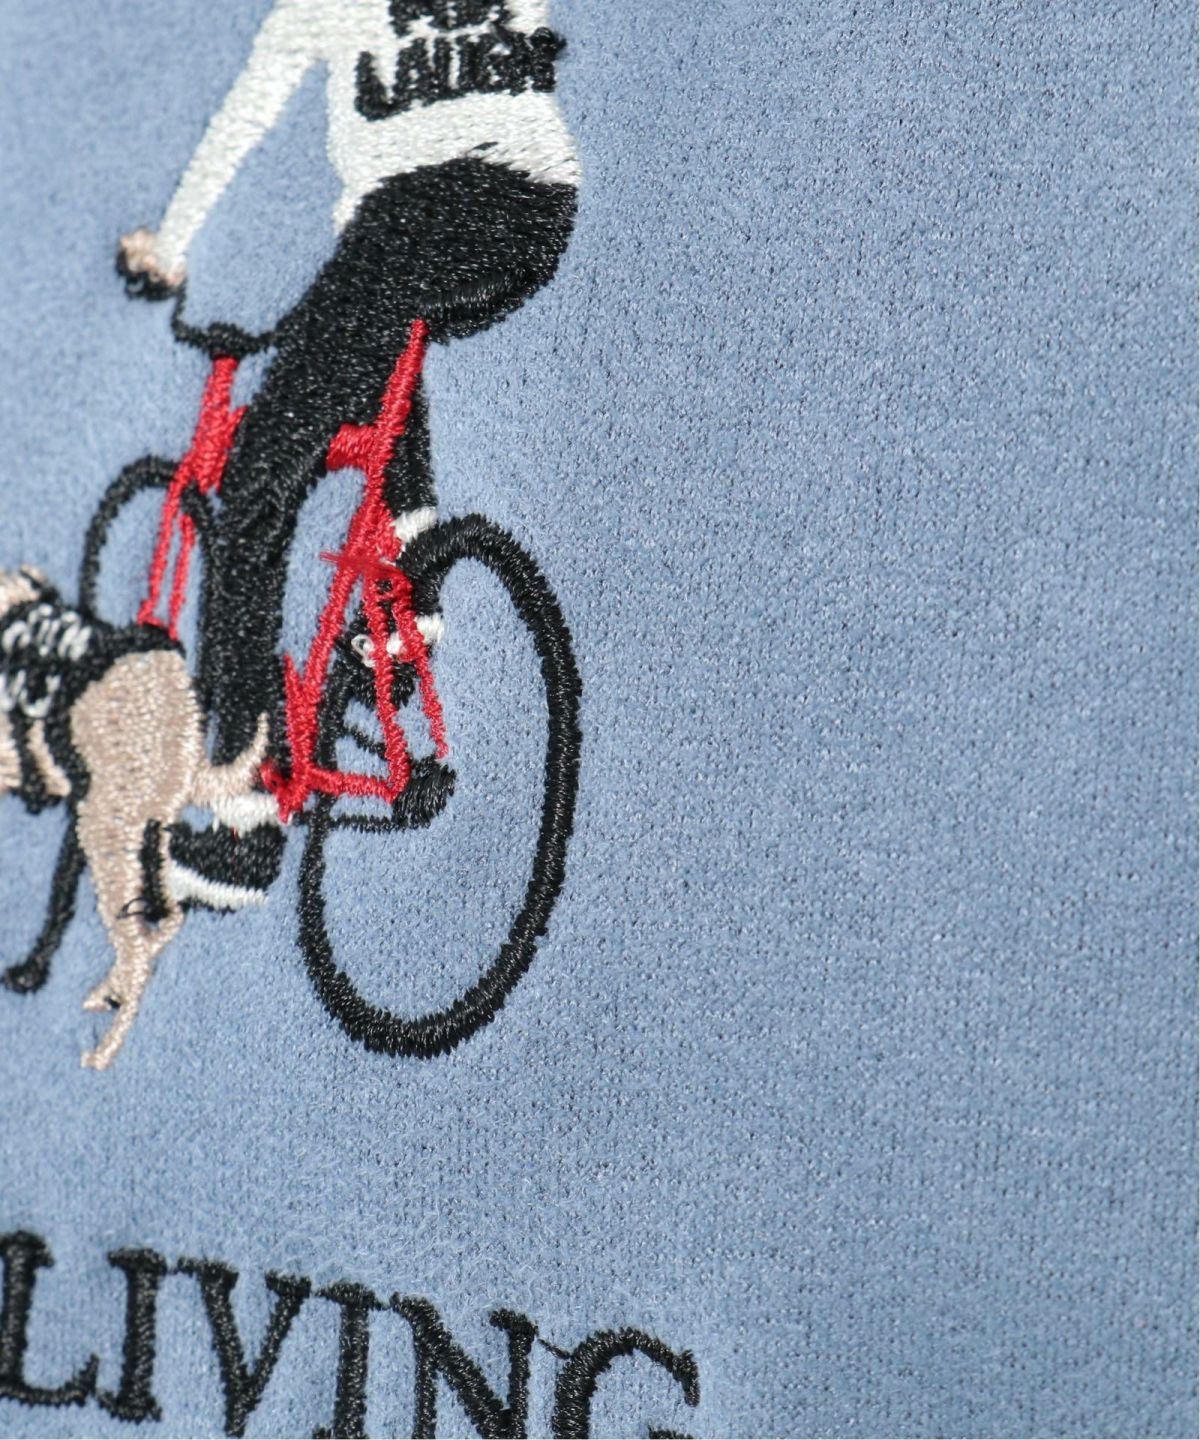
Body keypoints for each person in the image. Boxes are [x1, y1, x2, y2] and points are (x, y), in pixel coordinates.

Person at [118, 0, 579, 900]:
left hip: (408, 221)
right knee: (379, 346)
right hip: (536, 211)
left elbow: (246, 114)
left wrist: (167, 248)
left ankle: (245, 817)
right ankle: (411, 588)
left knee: (257, 477)